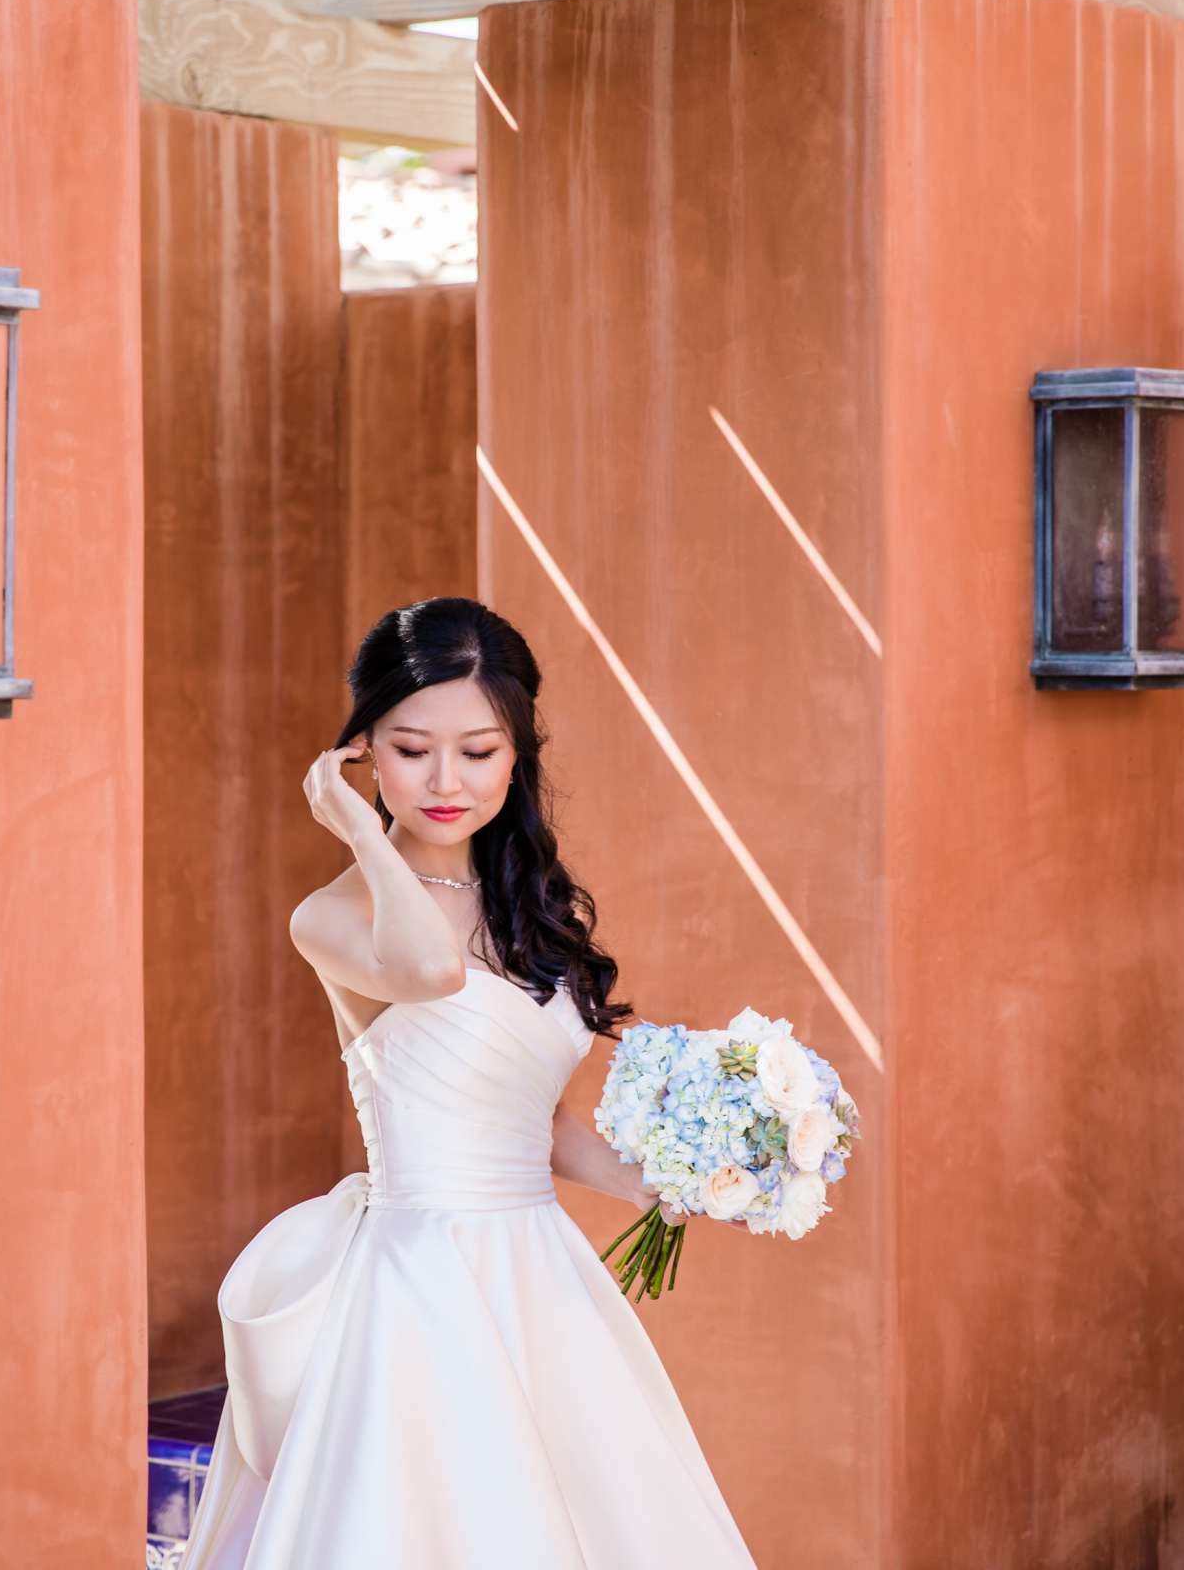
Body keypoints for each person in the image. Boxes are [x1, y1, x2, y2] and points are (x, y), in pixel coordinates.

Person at [178, 596, 757, 1568]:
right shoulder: (332, 915)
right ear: (362, 750)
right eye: (411, 750)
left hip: (541, 1277)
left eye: (480, 752)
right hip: (419, 1286)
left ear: (517, 755)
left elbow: (543, 1122)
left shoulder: (528, 908)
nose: (446, 780)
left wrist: (668, 1181)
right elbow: (428, 974)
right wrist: (359, 832)